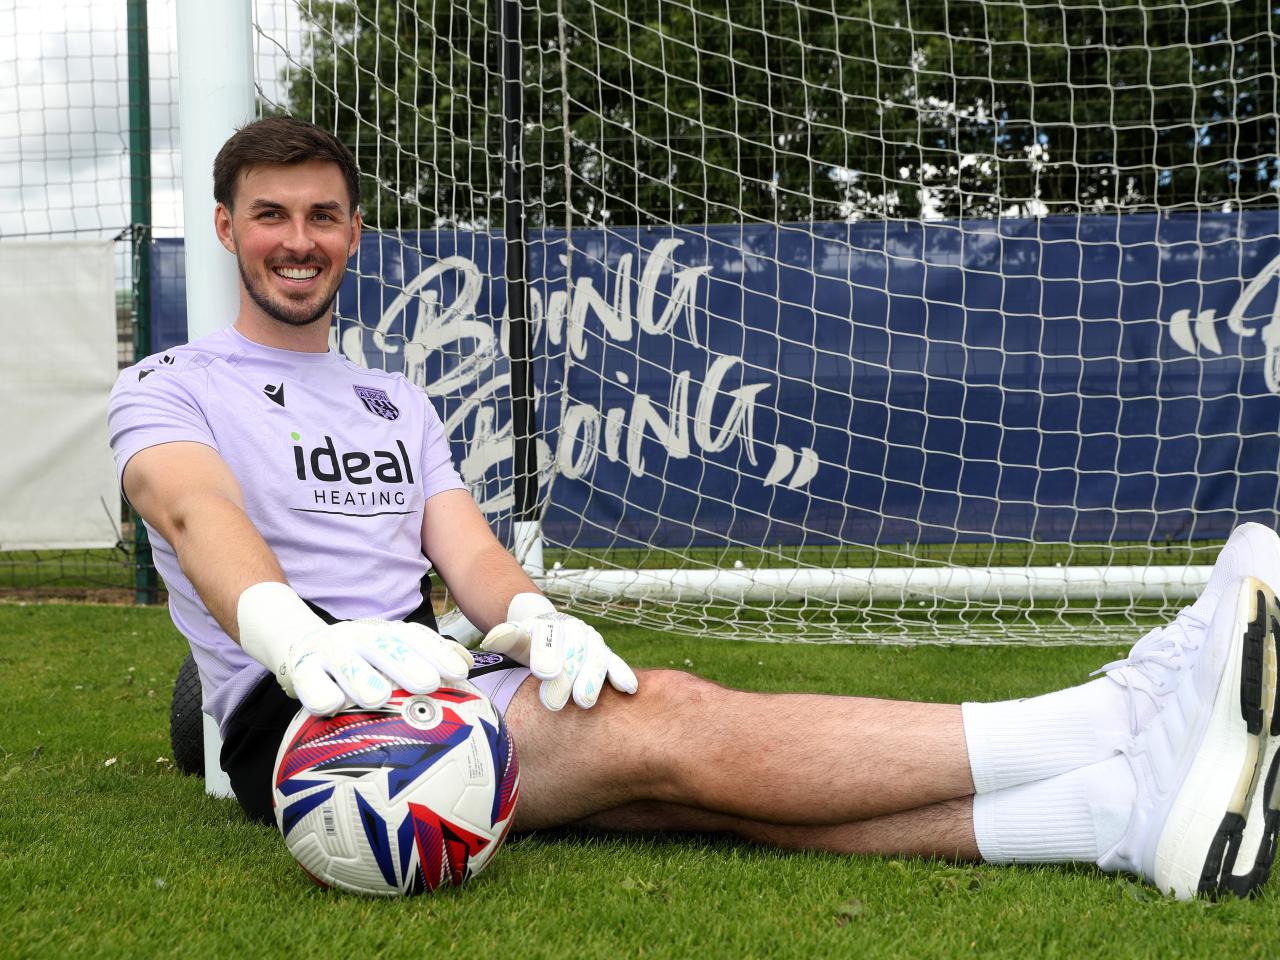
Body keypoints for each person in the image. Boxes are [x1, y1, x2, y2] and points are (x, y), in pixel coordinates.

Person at [108, 116, 1279, 901]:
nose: (297, 242)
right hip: (314, 726)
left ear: (354, 231)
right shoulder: (171, 386)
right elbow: (193, 511)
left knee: (686, 788)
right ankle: (1110, 717)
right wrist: (297, 640)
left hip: (442, 681)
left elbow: (466, 556)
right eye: (271, 216)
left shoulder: (390, 398)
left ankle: (1115, 819)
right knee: (664, 717)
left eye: (322, 217)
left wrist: (531, 622)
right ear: (226, 228)